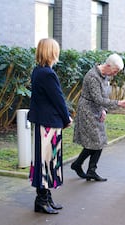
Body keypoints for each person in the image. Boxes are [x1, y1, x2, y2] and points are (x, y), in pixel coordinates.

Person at [28, 38, 73, 214]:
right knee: (47, 161)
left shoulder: (38, 71)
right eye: (56, 50)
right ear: (51, 52)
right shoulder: (47, 74)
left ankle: (45, 197)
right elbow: (58, 99)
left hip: (44, 122)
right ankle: (41, 200)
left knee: (46, 160)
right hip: (48, 123)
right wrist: (67, 118)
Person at [71, 53, 125, 182]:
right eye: (114, 71)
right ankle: (79, 165)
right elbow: (98, 98)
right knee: (95, 141)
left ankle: (90, 169)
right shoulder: (93, 76)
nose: (114, 74)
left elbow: (102, 96)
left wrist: (104, 110)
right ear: (108, 66)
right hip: (87, 111)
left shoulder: (104, 75)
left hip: (97, 110)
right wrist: (118, 103)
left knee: (99, 141)